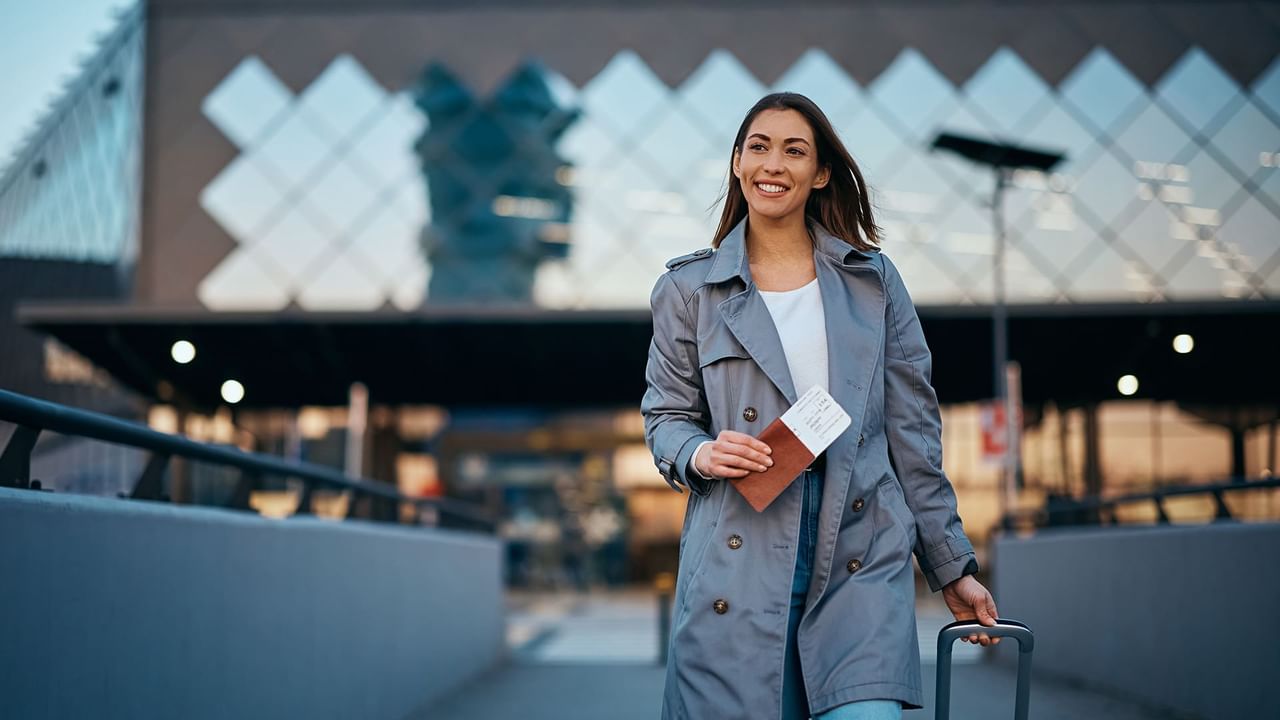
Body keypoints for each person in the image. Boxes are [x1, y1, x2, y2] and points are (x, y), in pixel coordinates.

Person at [641, 92, 1001, 720]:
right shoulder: (688, 289)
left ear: (821, 173)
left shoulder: (874, 282)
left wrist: (951, 566)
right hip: (738, 551)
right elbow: (665, 415)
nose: (772, 163)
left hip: (861, 545)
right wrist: (700, 451)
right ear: (736, 163)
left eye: (794, 150)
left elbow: (912, 435)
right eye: (758, 147)